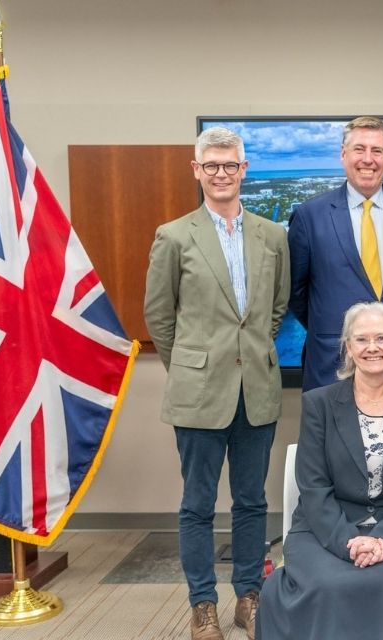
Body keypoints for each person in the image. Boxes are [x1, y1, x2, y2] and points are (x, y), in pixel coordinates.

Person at [144, 126, 290, 640]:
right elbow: (160, 318)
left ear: (244, 170)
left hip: (257, 394)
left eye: (231, 165)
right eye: (212, 165)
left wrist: (245, 357)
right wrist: (196, 364)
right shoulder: (174, 235)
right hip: (199, 394)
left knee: (252, 502)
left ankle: (248, 597)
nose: (222, 173)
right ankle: (202, 605)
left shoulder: (272, 236)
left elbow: (275, 310)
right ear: (197, 171)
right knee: (197, 505)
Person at [257, 302, 383, 640]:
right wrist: (349, 541)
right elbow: (312, 486)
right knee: (328, 583)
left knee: (381, 582)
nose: (373, 347)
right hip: (323, 529)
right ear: (348, 347)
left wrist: (382, 539)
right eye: (362, 339)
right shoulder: (319, 404)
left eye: (382, 338)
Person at [288, 116, 383, 391]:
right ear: (344, 155)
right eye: (359, 149)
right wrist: (337, 327)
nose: (367, 159)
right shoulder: (309, 216)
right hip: (331, 365)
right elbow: (295, 292)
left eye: (377, 151)